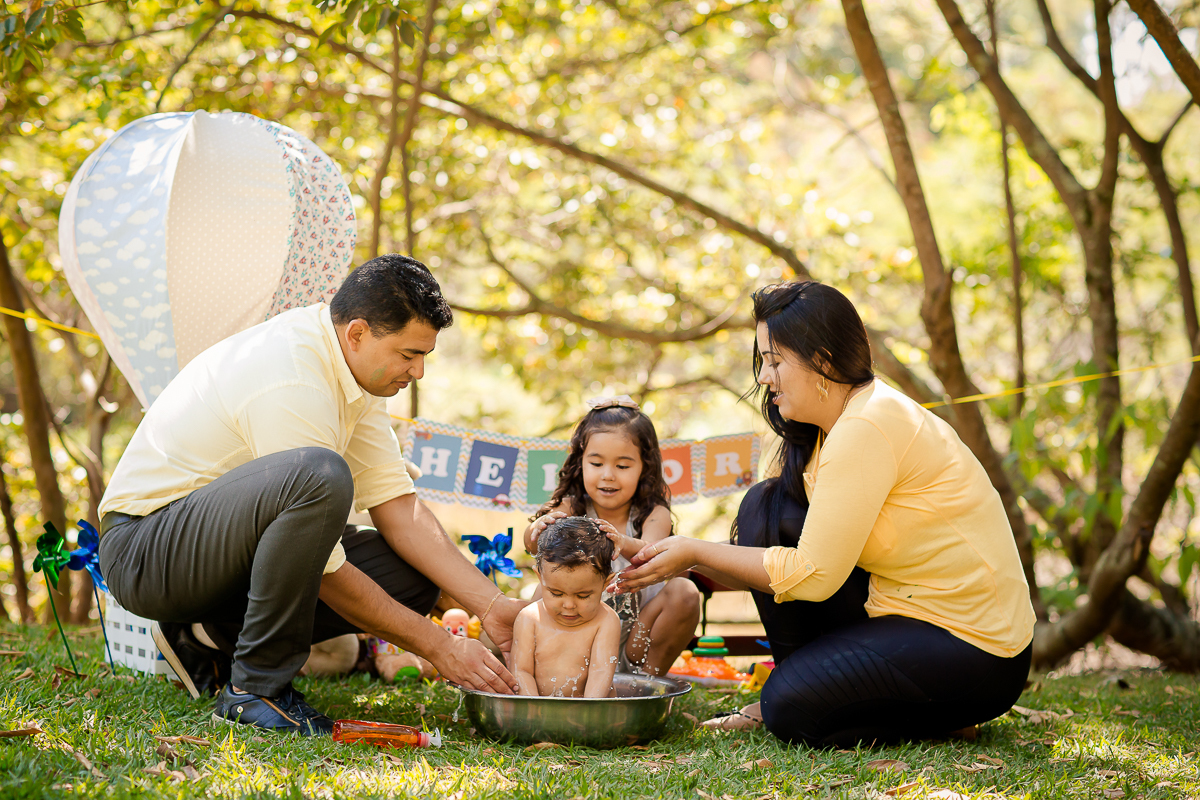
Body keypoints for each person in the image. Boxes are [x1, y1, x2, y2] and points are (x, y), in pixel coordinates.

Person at [97, 255, 522, 736]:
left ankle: (206, 639)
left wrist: (493, 607)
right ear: (357, 333)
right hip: (147, 550)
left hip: (217, 550)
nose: (418, 371)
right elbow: (326, 566)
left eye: (424, 355)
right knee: (320, 477)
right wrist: (439, 645)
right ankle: (255, 690)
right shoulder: (293, 374)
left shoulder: (357, 375)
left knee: (409, 575)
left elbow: (399, 508)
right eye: (408, 355)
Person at [616, 280, 1035, 747]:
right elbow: (768, 558)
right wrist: (668, 556)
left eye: (774, 362)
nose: (763, 377)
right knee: (765, 507)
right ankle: (812, 689)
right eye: (763, 361)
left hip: (976, 648)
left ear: (822, 361)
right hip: (897, 609)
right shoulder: (822, 431)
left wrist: (692, 550)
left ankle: (919, 713)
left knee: (790, 711)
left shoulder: (866, 426)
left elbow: (811, 575)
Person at [524, 397, 701, 676]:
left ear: (645, 467)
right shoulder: (572, 507)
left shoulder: (653, 513)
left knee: (685, 592)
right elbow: (535, 546)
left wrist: (623, 541)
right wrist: (538, 529)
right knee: (538, 593)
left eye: (622, 466)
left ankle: (644, 687)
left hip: (636, 640)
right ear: (580, 463)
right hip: (579, 636)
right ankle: (546, 674)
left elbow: (653, 553)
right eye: (596, 463)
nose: (608, 476)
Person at [511, 517, 621, 697]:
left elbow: (601, 672)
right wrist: (532, 711)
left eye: (583, 595)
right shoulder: (529, 618)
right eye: (556, 593)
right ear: (540, 578)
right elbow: (521, 671)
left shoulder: (606, 620)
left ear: (605, 583)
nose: (569, 605)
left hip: (591, 713)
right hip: (540, 710)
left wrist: (587, 716)